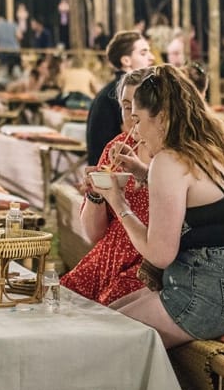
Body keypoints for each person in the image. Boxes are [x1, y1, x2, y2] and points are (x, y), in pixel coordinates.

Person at [89, 65, 224, 347]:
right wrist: (141, 171)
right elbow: (205, 203)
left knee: (105, 338)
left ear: (161, 117)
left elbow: (160, 255)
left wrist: (118, 201)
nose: (135, 132)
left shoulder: (168, 161)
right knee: (109, 313)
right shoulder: (221, 147)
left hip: (217, 296)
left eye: (137, 119)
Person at [61, 69, 154, 306]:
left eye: (137, 106)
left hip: (148, 261)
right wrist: (95, 194)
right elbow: (94, 235)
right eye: (125, 106)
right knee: (62, 303)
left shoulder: (171, 155)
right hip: (108, 256)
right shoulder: (117, 147)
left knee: (102, 315)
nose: (131, 115)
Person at [86, 30, 155, 166]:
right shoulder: (126, 91)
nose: (151, 57)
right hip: (112, 168)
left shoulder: (113, 88)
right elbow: (134, 133)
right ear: (126, 60)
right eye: (143, 53)